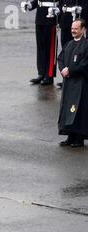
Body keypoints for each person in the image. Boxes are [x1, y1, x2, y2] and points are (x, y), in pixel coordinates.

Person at [57, 19, 88, 147]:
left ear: (83, 29)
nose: (73, 31)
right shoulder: (68, 44)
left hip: (81, 84)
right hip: (69, 83)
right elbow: (60, 58)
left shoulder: (86, 45)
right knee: (67, 109)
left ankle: (79, 138)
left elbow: (85, 64)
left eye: (76, 28)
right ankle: (70, 136)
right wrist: (63, 69)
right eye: (72, 28)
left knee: (79, 110)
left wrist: (70, 70)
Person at [21, 0, 59, 85]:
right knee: (40, 47)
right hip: (40, 17)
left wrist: (58, 11)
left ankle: (49, 75)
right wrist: (30, 5)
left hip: (51, 16)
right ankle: (41, 73)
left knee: (50, 48)